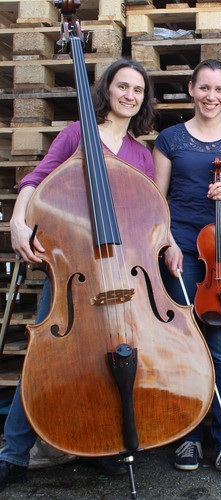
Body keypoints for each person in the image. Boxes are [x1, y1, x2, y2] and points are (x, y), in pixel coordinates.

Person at [1, 58, 156, 491]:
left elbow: (147, 216)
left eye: (137, 90)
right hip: (75, 270)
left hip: (124, 274)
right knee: (46, 362)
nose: (129, 95)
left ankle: (105, 444)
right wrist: (18, 220)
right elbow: (36, 179)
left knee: (117, 358)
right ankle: (13, 454)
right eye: (122, 86)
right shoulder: (76, 135)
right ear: (106, 90)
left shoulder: (141, 154)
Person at [152, 59, 221, 482]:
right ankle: (188, 435)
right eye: (204, 88)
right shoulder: (170, 140)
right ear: (191, 89)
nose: (211, 97)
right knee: (184, 349)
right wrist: (167, 244)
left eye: (219, 90)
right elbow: (157, 202)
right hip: (182, 254)